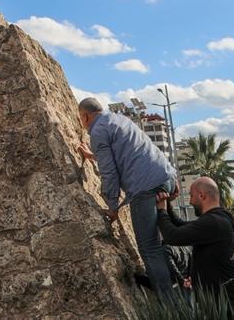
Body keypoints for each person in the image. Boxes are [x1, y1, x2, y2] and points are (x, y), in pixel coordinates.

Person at [75, 97, 177, 300]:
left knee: (149, 247)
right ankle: (177, 290)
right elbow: (128, 153)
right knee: (162, 241)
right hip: (164, 177)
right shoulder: (119, 119)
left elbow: (109, 172)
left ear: (85, 117)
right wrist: (92, 155)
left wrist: (113, 207)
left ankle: (169, 305)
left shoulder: (98, 131)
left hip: (145, 188)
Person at [155, 178, 234, 307]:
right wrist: (168, 203)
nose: (190, 201)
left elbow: (173, 236)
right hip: (223, 303)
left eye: (191, 196)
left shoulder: (214, 222)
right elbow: (179, 224)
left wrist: (161, 210)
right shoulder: (217, 220)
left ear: (202, 195)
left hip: (228, 305)